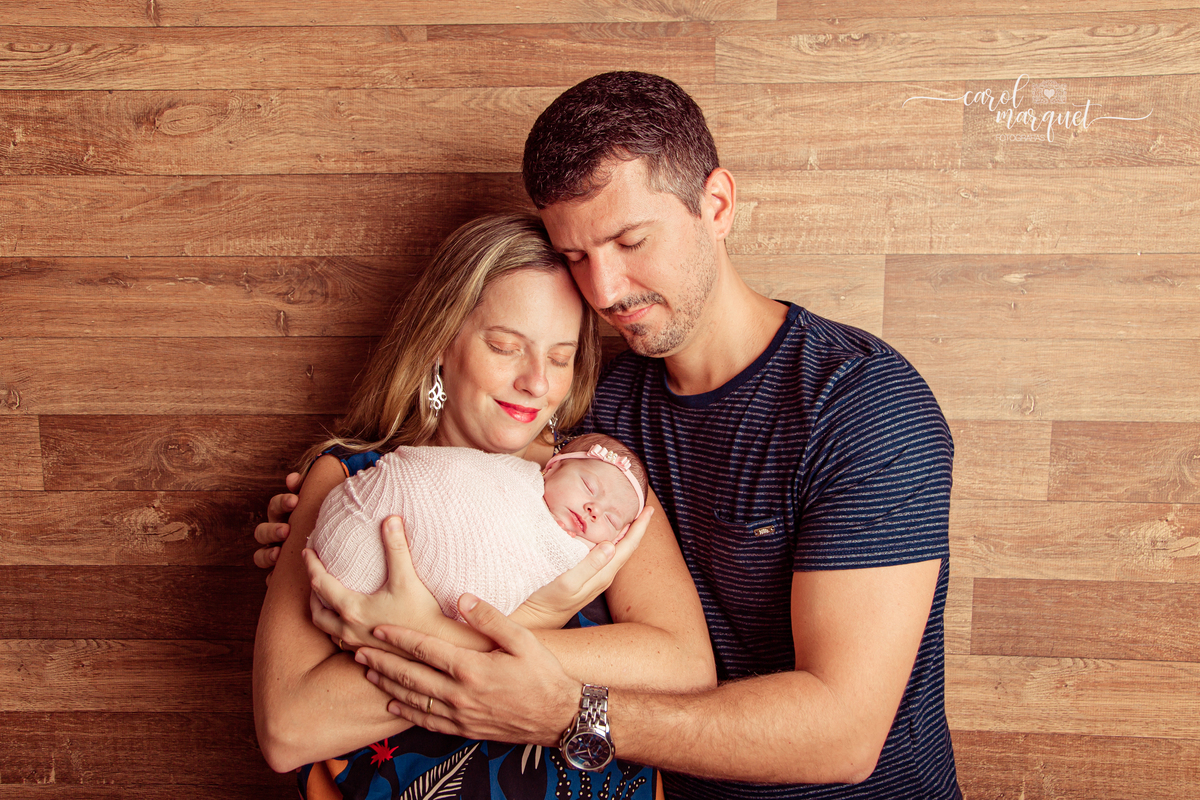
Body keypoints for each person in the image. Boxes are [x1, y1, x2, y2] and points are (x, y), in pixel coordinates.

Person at [276, 72, 961, 798]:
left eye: (630, 240)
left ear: (716, 205)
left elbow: (840, 734)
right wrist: (331, 521)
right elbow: (468, 495)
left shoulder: (857, 405)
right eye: (576, 256)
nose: (603, 290)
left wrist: (565, 712)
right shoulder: (588, 407)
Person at [252, 211, 715, 800]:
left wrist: (435, 638)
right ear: (442, 342)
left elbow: (684, 667)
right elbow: (288, 728)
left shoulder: (600, 484)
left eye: (559, 356)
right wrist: (531, 621)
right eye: (505, 346)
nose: (536, 384)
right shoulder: (350, 479)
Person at [309, 432, 649, 620]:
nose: (594, 510)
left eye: (610, 519)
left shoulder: (589, 565)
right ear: (551, 468)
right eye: (589, 488)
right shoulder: (505, 477)